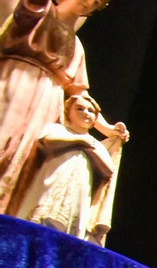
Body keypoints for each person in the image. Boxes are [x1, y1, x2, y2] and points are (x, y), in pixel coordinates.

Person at [0, 0, 126, 211]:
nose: (90, 3)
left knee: (27, 162)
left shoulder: (76, 46)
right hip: (17, 82)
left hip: (50, 102)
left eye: (96, 3)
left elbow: (79, 92)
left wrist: (107, 128)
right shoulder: (39, 12)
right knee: (5, 143)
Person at [12, 91, 118, 240]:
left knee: (70, 221)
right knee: (42, 213)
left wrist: (90, 148)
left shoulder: (93, 143)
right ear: (68, 112)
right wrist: (77, 141)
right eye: (80, 108)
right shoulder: (59, 130)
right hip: (53, 180)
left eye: (91, 111)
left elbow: (108, 169)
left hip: (78, 189)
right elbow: (48, 141)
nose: (86, 113)